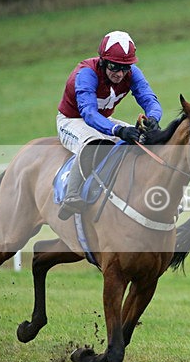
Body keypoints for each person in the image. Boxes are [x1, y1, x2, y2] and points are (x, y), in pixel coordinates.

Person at [56, 30, 163, 220]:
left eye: (125, 67)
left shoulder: (131, 73)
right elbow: (88, 113)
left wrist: (153, 118)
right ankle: (71, 195)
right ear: (103, 61)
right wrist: (118, 130)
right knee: (93, 142)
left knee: (143, 139)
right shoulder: (86, 74)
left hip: (102, 119)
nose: (120, 74)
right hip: (72, 120)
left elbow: (149, 99)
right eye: (114, 67)